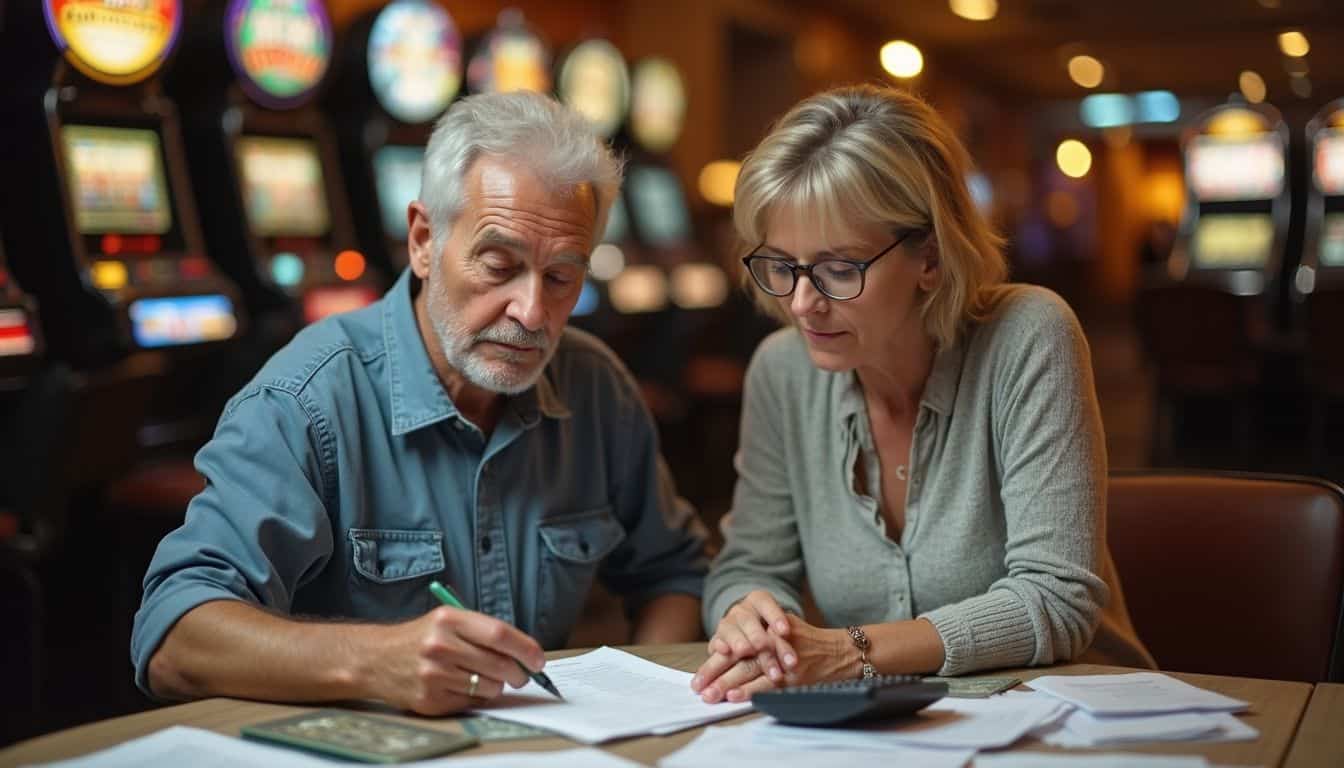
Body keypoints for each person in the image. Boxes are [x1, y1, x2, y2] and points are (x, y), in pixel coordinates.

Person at [132, 92, 708, 716]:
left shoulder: (597, 387)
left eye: (562, 277)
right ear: (424, 239)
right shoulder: (308, 399)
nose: (533, 312)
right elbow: (172, 636)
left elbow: (674, 575)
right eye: (499, 265)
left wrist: (644, 707)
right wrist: (373, 662)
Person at [691, 85, 1154, 705]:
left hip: (1076, 719)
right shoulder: (781, 370)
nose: (801, 302)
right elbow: (748, 565)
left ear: (929, 258)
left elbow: (1056, 601)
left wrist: (849, 652)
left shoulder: (1028, 335)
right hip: (893, 733)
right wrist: (751, 616)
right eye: (782, 265)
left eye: (838, 268)